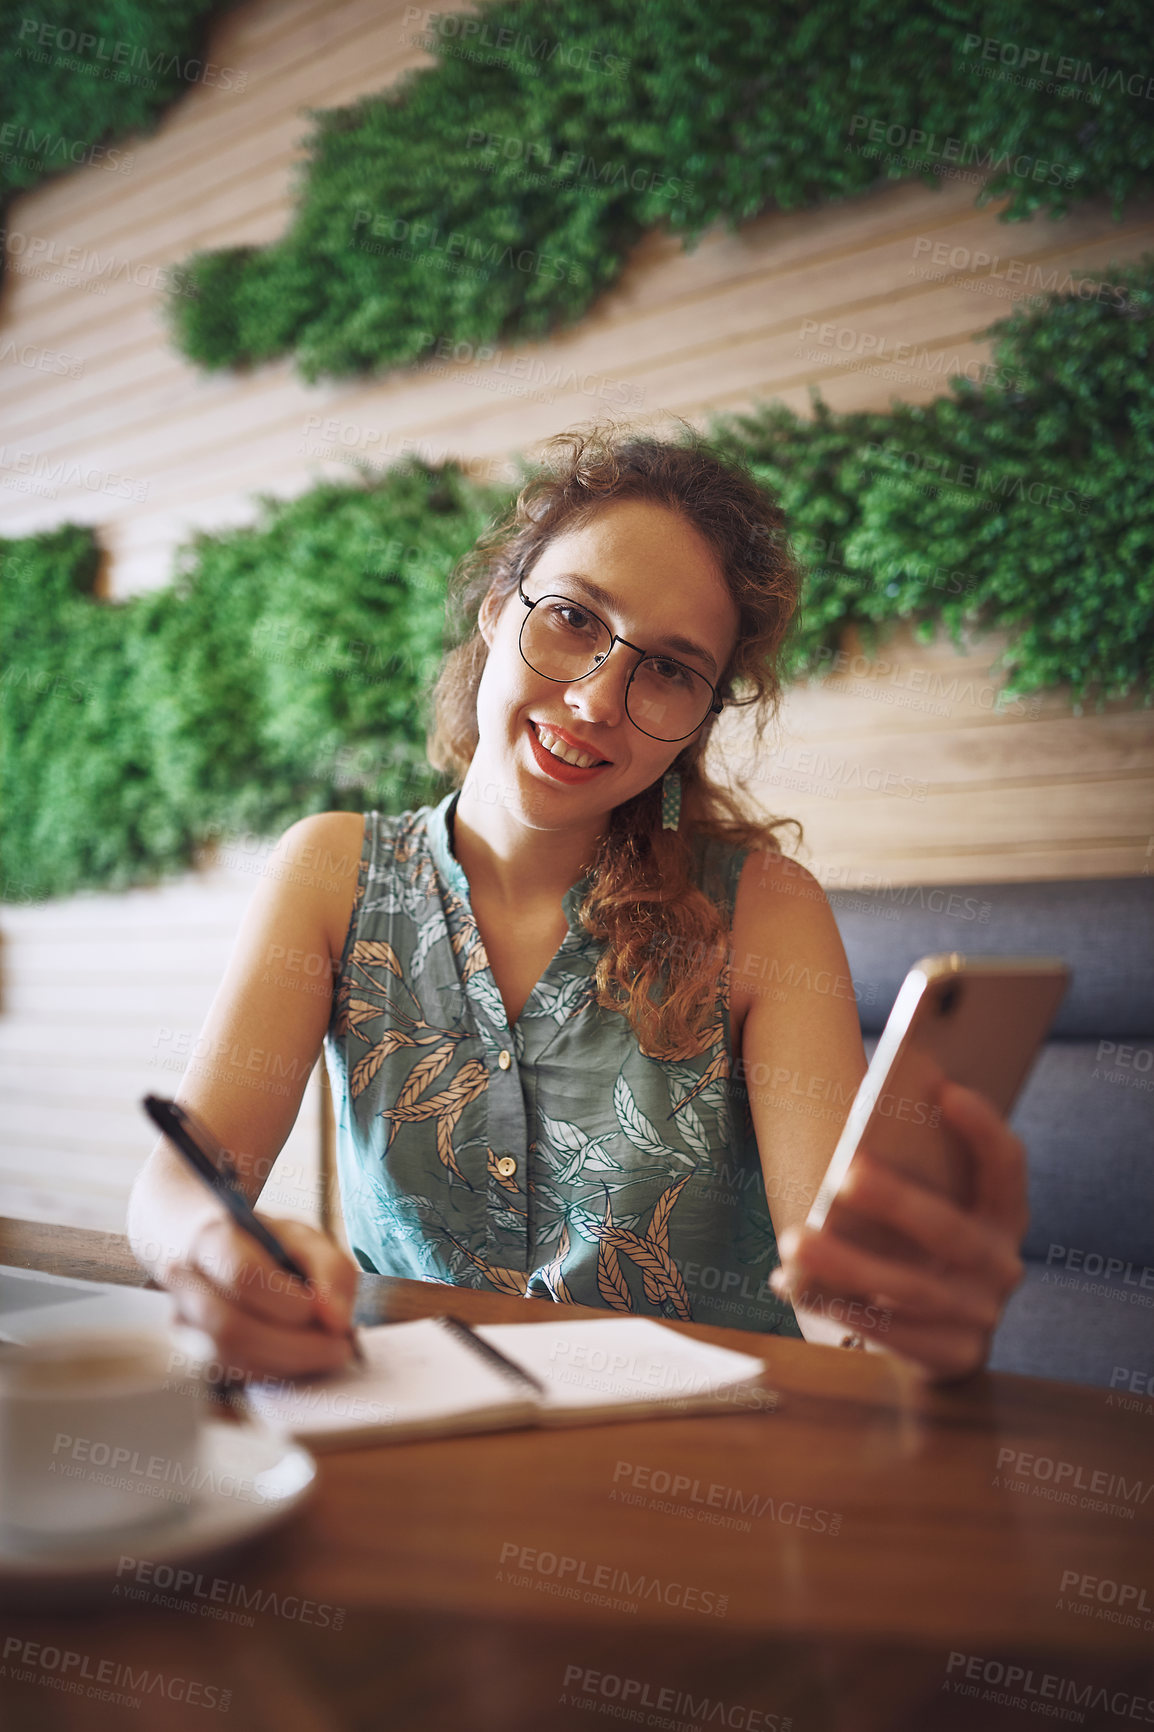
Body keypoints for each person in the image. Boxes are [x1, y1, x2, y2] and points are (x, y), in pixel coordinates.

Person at [127, 425, 1026, 1385]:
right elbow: (182, 1183)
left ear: (697, 722)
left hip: (700, 1479)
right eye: (574, 619)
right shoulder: (333, 873)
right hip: (408, 1439)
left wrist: (916, 1327)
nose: (598, 699)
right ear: (493, 612)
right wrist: (216, 1254)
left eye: (671, 670)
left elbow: (848, 1309)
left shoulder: (765, 912)